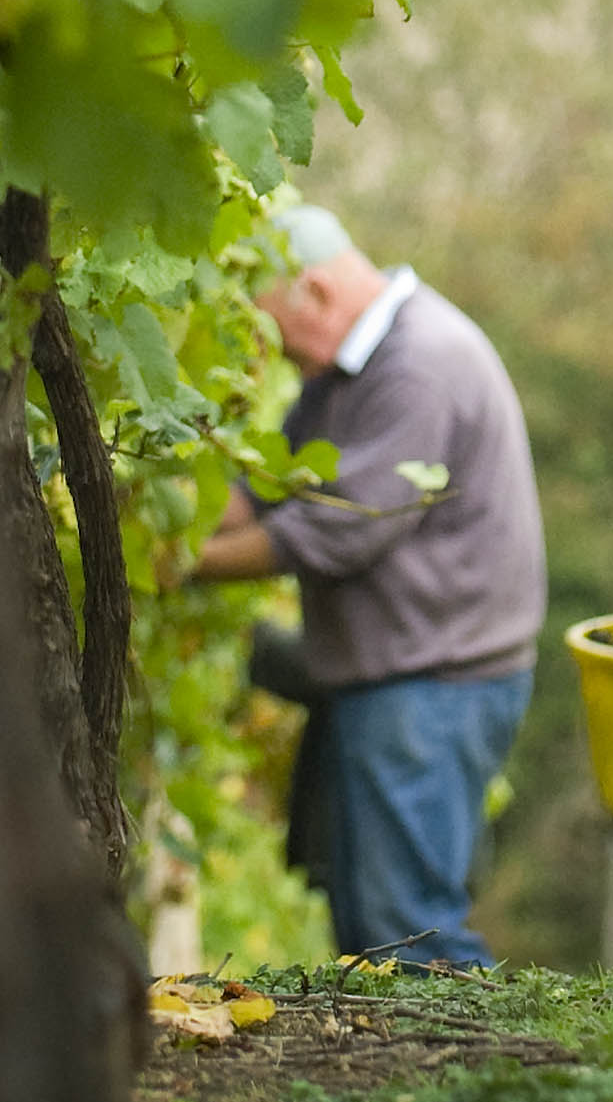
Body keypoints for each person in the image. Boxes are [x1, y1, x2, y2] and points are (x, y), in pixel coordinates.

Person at [181, 206, 545, 965]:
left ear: (315, 291)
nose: (280, 354)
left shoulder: (417, 363)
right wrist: (170, 520)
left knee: (409, 926)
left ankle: (492, 1077)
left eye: (279, 329)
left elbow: (342, 528)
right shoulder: (350, 364)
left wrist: (187, 562)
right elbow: (276, 481)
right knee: (369, 926)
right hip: (400, 679)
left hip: (436, 683)